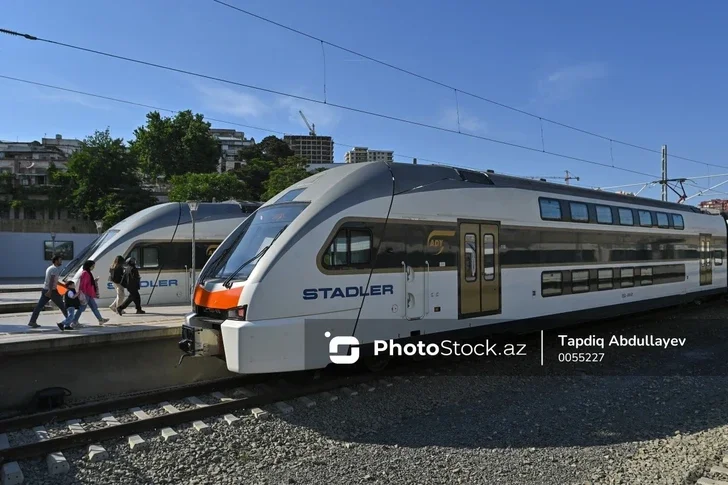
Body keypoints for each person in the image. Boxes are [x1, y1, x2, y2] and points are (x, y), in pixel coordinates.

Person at [28, 254, 68, 328]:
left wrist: (64, 285)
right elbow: (52, 281)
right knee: (62, 306)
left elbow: (54, 280)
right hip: (52, 291)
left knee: (39, 306)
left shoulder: (50, 268)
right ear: (56, 261)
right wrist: (50, 291)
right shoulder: (54, 269)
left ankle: (32, 321)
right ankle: (70, 321)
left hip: (45, 289)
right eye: (60, 260)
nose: (61, 262)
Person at [72, 260, 109, 326]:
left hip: (89, 294)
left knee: (94, 307)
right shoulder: (85, 273)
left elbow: (88, 283)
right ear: (89, 266)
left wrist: (94, 281)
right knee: (82, 308)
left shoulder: (88, 273)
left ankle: (100, 320)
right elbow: (83, 285)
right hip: (86, 294)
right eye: (92, 266)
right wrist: (84, 294)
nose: (93, 267)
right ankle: (74, 321)